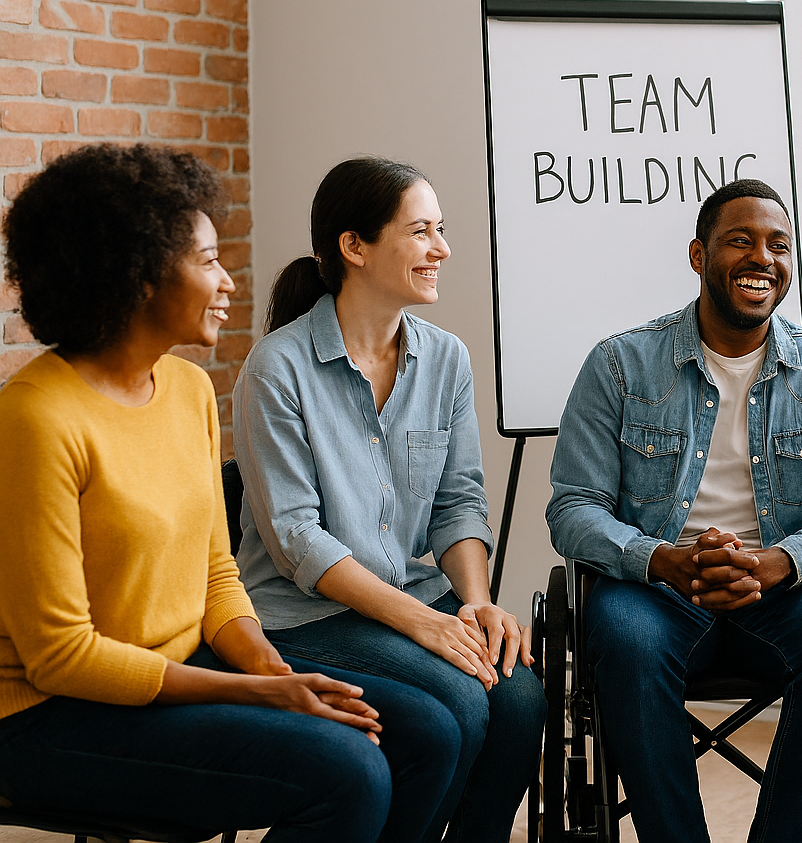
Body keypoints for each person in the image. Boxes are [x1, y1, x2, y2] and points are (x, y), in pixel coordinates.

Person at [0, 144, 459, 843]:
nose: (229, 284)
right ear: (138, 273)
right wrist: (259, 692)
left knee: (424, 730)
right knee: (350, 769)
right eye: (207, 261)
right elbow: (62, 657)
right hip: (49, 713)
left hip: (183, 664)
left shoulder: (185, 389)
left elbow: (216, 572)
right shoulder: (35, 419)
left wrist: (269, 667)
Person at [546, 178, 802, 843]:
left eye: (779, 245)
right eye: (741, 241)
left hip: (781, 586)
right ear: (700, 256)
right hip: (657, 587)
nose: (763, 258)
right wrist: (661, 559)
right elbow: (574, 510)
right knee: (625, 642)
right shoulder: (619, 365)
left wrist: (781, 562)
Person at [232, 156, 545, 843]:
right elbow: (296, 540)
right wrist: (422, 624)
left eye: (441, 229)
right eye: (422, 231)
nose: (443, 249)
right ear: (355, 247)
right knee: (459, 702)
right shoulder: (276, 369)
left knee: (520, 700)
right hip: (306, 614)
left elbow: (458, 500)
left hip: (411, 592)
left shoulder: (446, 359)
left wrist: (473, 602)